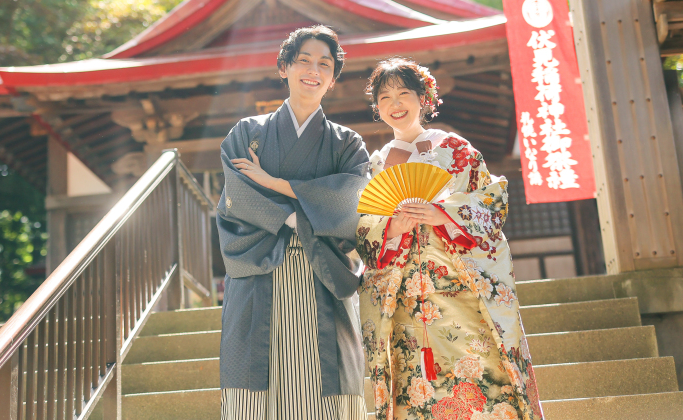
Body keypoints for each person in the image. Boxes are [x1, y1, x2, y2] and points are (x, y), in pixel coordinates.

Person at [356, 58, 543, 420]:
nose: (395, 104)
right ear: (377, 108)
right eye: (385, 97)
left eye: (404, 94)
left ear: (424, 98)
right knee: (416, 386)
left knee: (483, 375)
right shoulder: (375, 165)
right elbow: (364, 229)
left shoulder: (455, 150)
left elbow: (491, 201)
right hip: (406, 300)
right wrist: (392, 228)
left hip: (462, 289)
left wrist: (443, 213)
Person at [218, 25, 369, 420]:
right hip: (260, 269)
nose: (312, 70)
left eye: (324, 64)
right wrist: (296, 214)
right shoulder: (246, 134)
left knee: (329, 384)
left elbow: (349, 200)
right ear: (283, 67)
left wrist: (276, 186)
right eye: (303, 60)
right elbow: (238, 198)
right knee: (255, 386)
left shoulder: (347, 143)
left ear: (333, 79)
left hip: (323, 271)